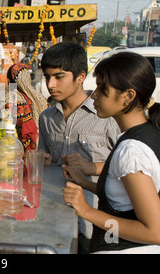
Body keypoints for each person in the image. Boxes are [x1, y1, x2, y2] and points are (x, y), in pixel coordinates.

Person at [63, 52, 160, 253]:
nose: (94, 94)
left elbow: (155, 232)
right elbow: (122, 197)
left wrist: (86, 210)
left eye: (103, 88)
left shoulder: (132, 151)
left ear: (128, 96)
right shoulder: (150, 133)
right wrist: (85, 183)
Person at [38, 41, 120, 252]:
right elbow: (48, 160)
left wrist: (90, 166)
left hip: (98, 221)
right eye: (47, 76)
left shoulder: (106, 116)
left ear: (80, 77)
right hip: (55, 213)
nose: (50, 84)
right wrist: (44, 161)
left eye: (59, 76)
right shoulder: (47, 117)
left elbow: (126, 167)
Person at [0, 63, 48, 158]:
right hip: (43, 150)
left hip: (20, 152)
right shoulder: (39, 97)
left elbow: (5, 125)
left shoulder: (11, 99)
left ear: (10, 81)